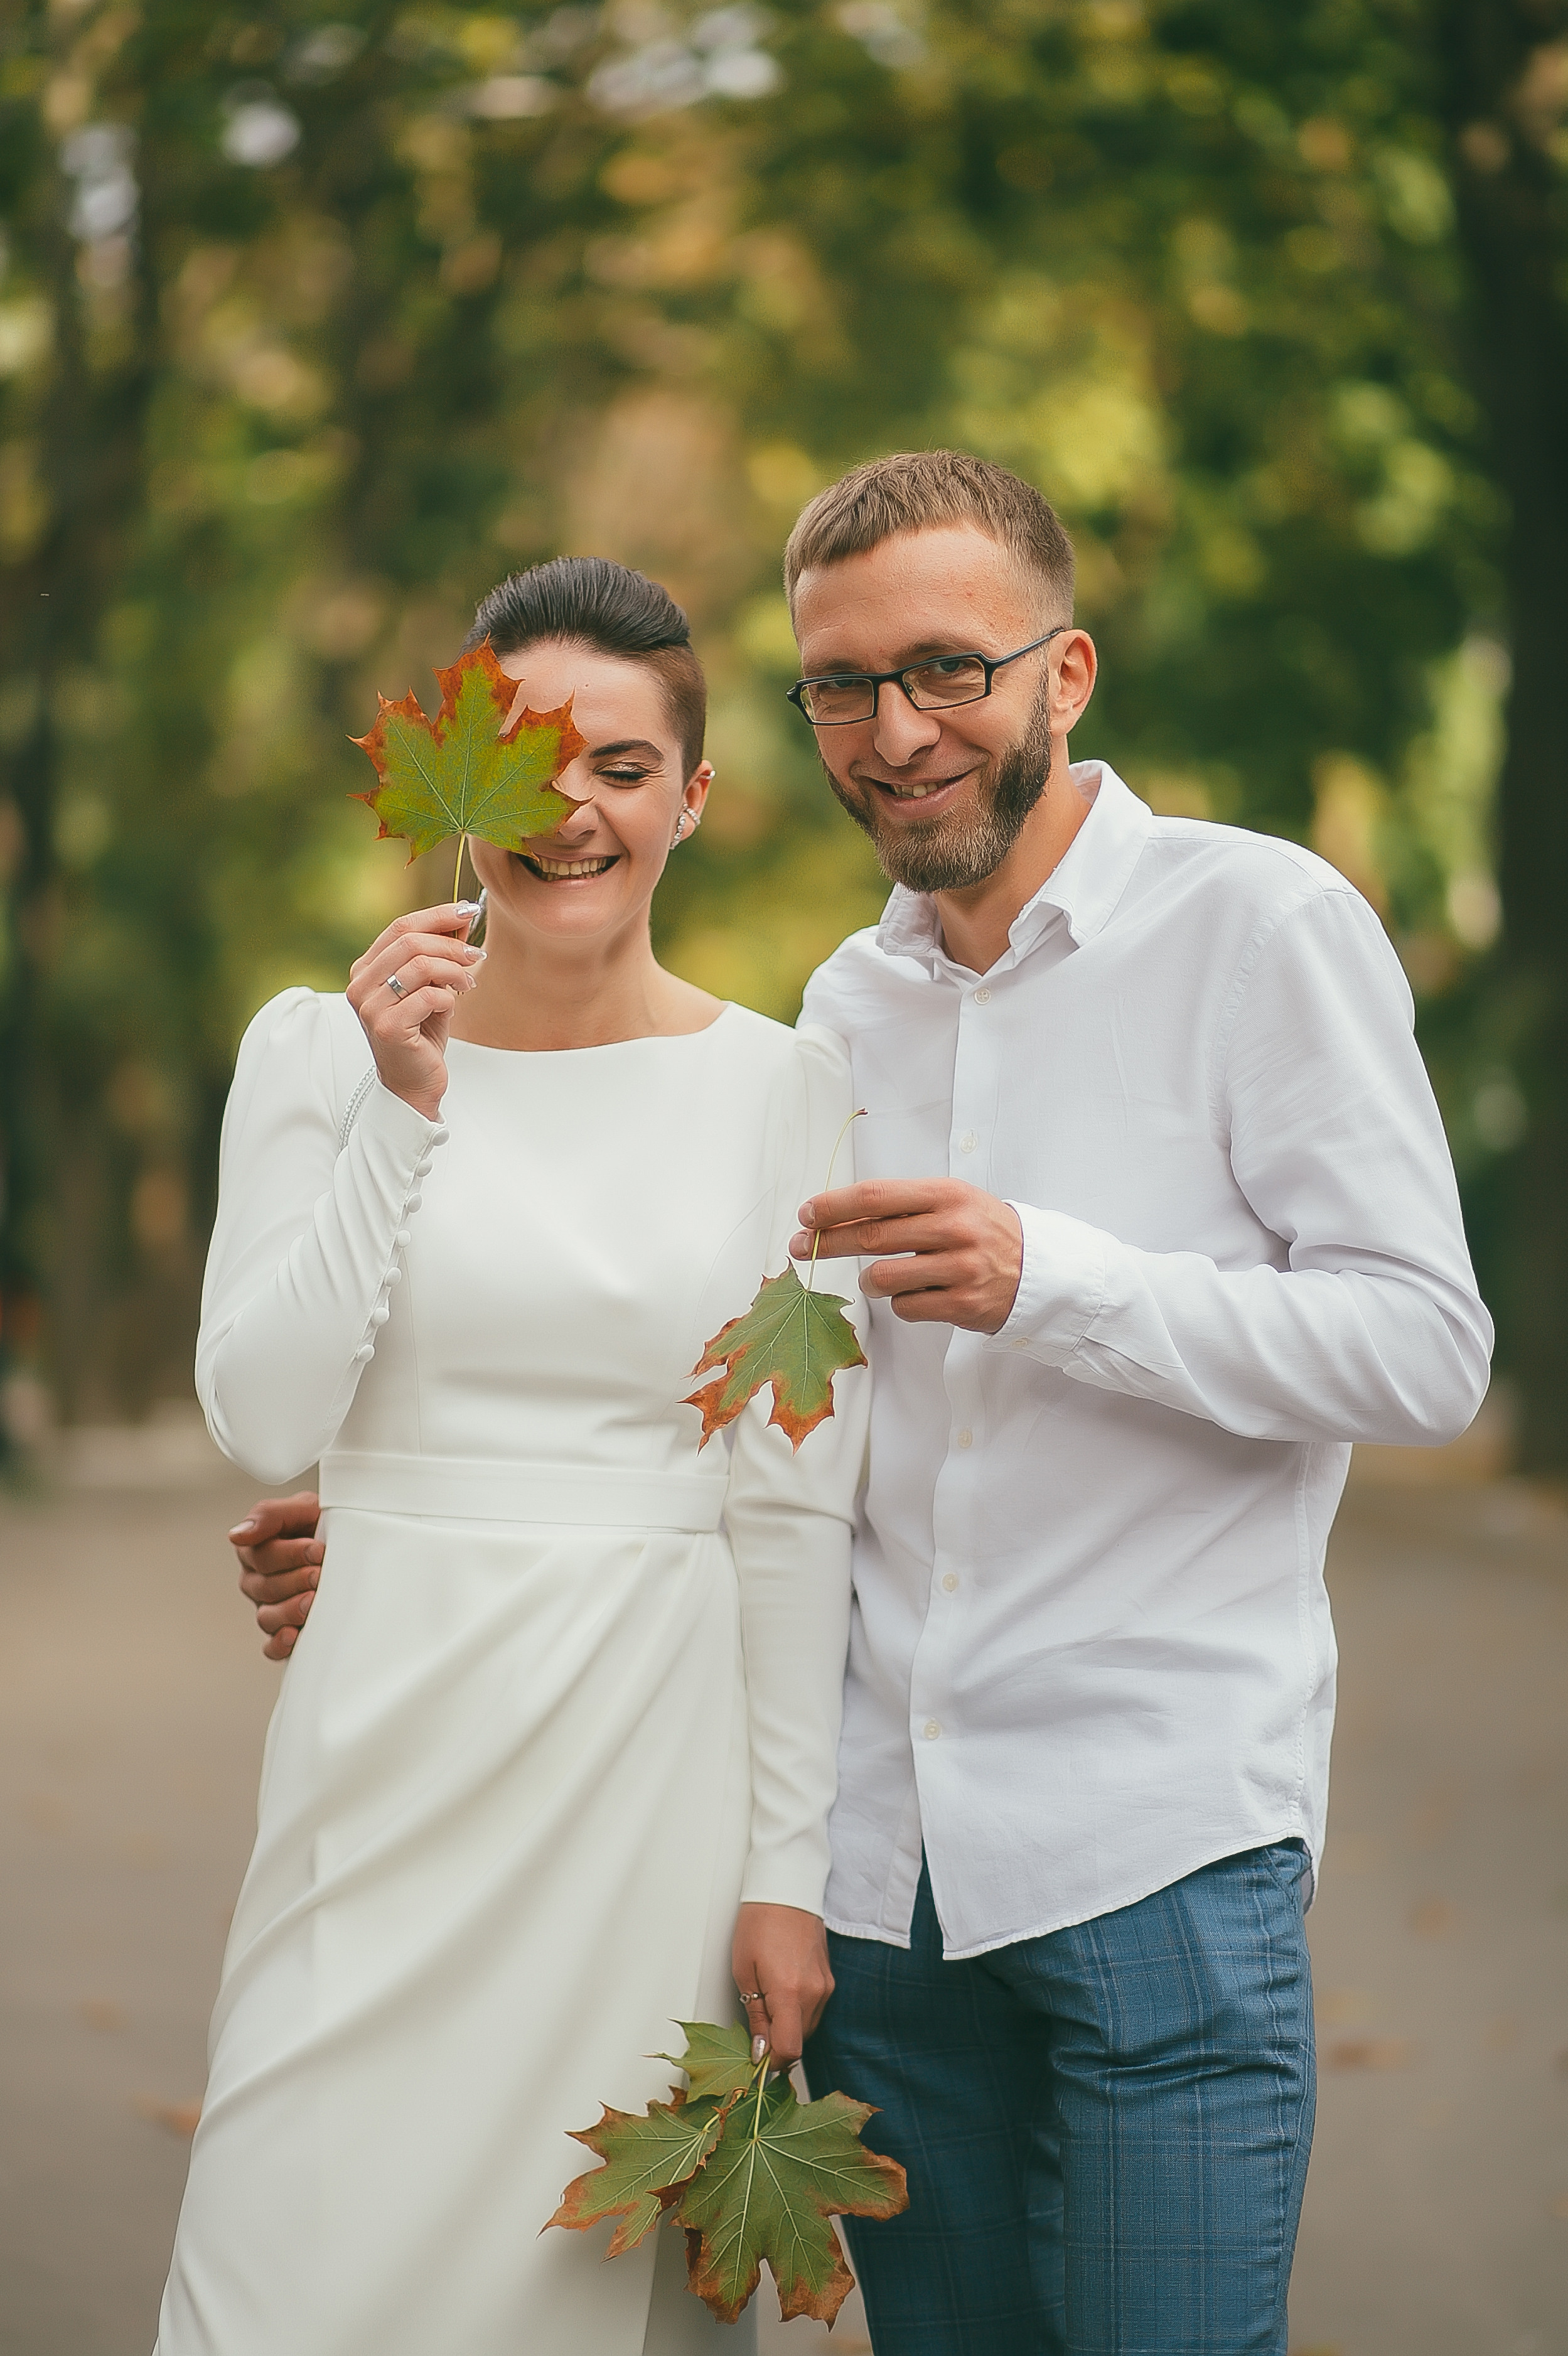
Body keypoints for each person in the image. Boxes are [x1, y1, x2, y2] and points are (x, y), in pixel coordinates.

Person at [234, 453, 1492, 2356]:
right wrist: (411, 1519)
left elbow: (1421, 1347)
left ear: (1063, 673)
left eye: (945, 670)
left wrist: (1049, 1280)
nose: (894, 731)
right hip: (882, 1887)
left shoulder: (1261, 928)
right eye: (841, 684)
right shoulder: (841, 1018)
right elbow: (756, 1419)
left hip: (1150, 1842)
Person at [154, 556, 869, 2356]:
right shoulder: (318, 1052)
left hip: (648, 1754)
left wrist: (785, 1867)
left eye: (625, 766)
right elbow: (265, 1414)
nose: (574, 806)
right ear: (451, 782)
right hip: (385, 1732)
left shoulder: (788, 1090)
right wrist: (401, 1110)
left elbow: (789, 1509)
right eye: (529, 757)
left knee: (569, 2285)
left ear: (692, 796)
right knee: (288, 2243)